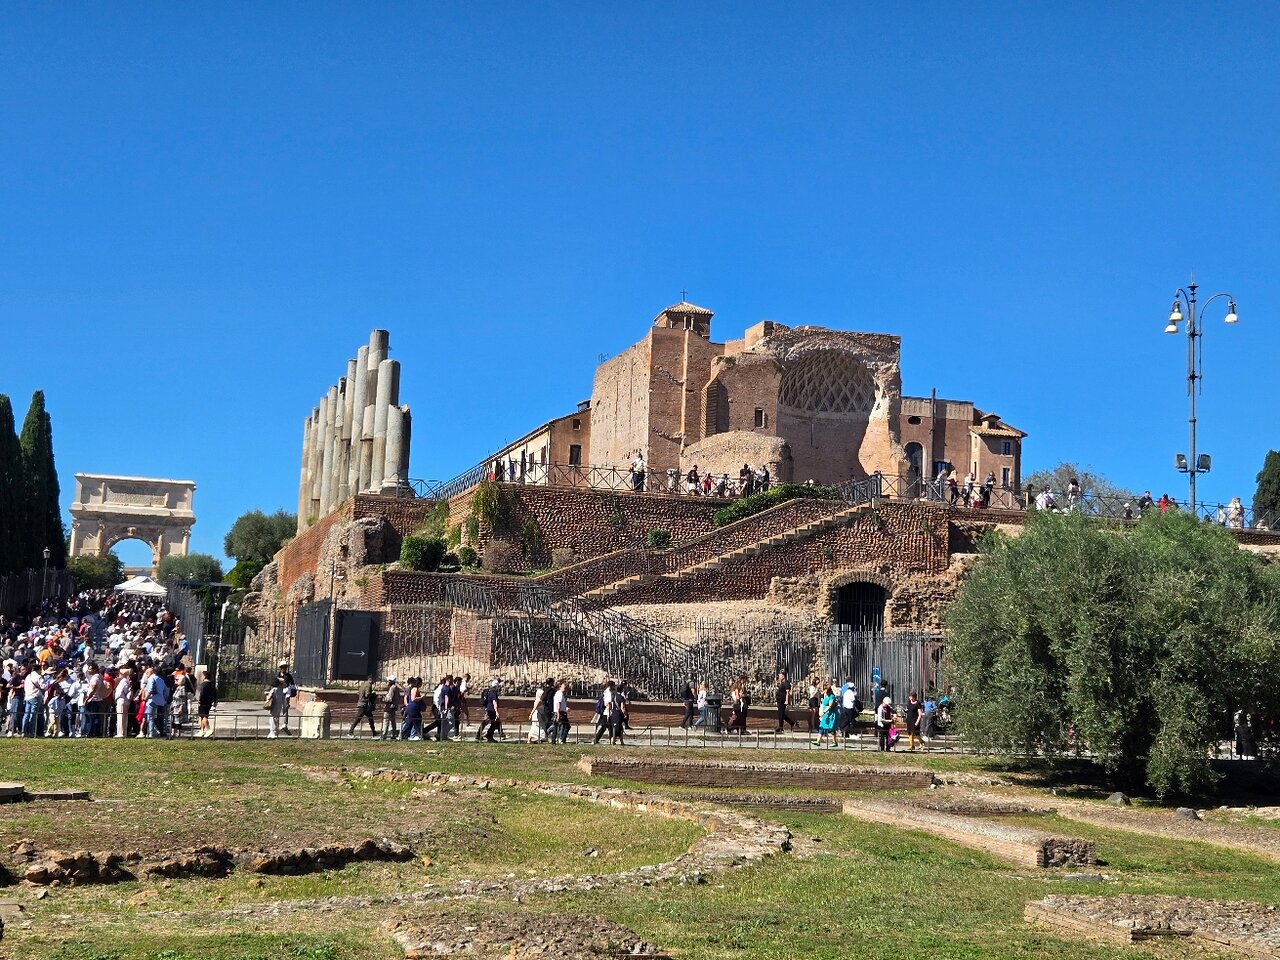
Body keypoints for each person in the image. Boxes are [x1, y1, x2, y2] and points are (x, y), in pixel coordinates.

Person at [530, 677, 555, 743]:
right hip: (547, 710)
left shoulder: (544, 689)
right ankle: (547, 737)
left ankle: (543, 737)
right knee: (549, 724)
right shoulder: (551, 691)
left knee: (543, 725)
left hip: (543, 710)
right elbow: (550, 701)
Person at [592, 680, 617, 744]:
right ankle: (609, 740)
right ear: (610, 686)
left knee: (608, 727)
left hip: (608, 712)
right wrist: (609, 714)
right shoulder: (608, 693)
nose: (615, 687)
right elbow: (608, 704)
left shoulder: (609, 692)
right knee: (606, 726)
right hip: (607, 712)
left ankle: (610, 739)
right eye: (614, 685)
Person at [401, 677, 424, 741]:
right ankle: (417, 735)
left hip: (412, 708)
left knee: (409, 722)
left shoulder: (413, 689)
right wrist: (421, 697)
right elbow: (413, 699)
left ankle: (404, 735)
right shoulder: (415, 689)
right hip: (412, 707)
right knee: (417, 721)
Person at [195, 668, 216, 738]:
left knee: (203, 716)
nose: (201, 677)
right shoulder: (212, 684)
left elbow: (202, 693)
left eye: (202, 676)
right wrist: (215, 701)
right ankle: (202, 730)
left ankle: (208, 728)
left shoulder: (204, 684)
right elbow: (215, 693)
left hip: (203, 702)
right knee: (202, 716)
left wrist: (200, 700)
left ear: (205, 676)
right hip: (209, 702)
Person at [114, 666, 134, 738]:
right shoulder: (125, 681)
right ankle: (122, 732)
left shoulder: (124, 681)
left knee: (121, 717)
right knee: (123, 717)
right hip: (123, 700)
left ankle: (121, 733)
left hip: (122, 700)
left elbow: (124, 692)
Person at [551, 680, 570, 744]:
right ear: (560, 687)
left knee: (556, 726)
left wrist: (565, 708)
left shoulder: (560, 694)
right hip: (560, 712)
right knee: (565, 726)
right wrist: (558, 713)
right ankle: (561, 739)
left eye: (566, 688)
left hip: (561, 711)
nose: (565, 690)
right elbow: (558, 704)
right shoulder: (559, 694)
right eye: (564, 688)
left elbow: (561, 704)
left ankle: (554, 739)